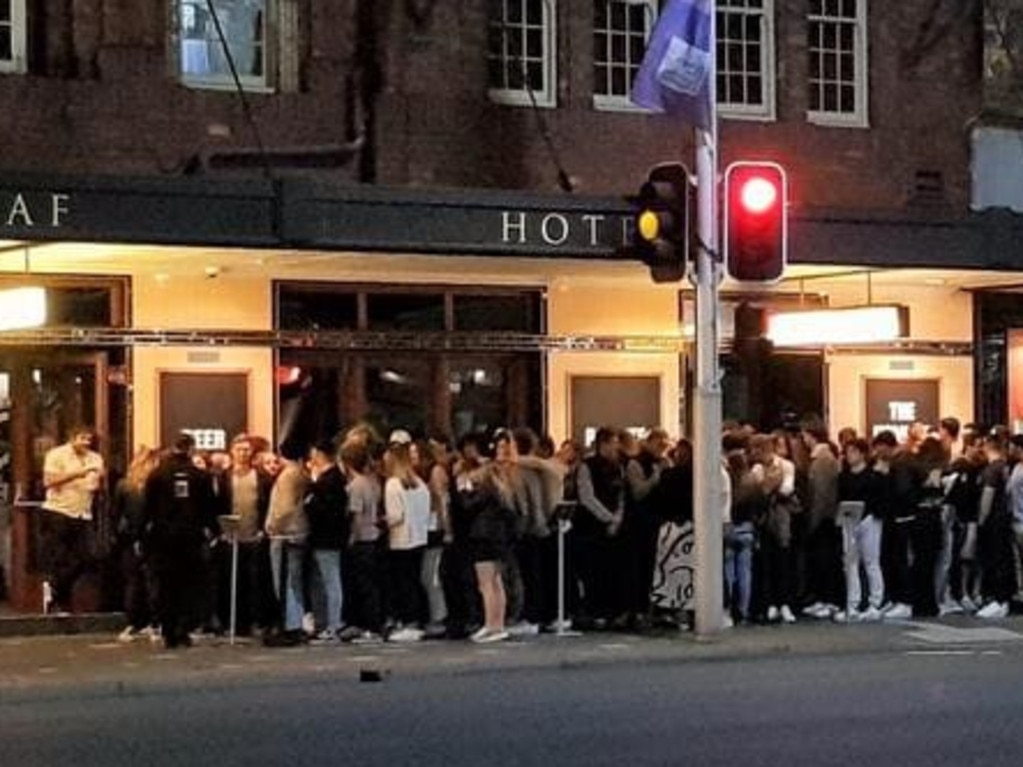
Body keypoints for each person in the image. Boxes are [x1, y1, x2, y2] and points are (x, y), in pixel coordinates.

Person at [143, 433, 216, 649]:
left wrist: (144, 534)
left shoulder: (157, 474)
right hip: (190, 537)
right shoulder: (200, 476)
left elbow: (148, 507)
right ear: (190, 449)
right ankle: (183, 630)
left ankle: (167, 630)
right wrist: (210, 530)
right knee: (189, 584)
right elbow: (209, 507)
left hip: (163, 537)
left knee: (166, 584)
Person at [39, 426, 106, 615]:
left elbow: (95, 482)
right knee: (60, 558)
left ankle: (55, 590)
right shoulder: (57, 455)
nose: (86, 443)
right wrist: (79, 474)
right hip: (58, 511)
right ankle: (61, 601)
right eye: (82, 438)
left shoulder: (95, 458)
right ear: (72, 438)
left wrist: (93, 481)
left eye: (89, 440)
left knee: (85, 558)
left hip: (82, 513)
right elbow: (49, 481)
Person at [217, 434, 274, 636]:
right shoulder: (223, 476)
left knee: (254, 582)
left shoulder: (261, 477)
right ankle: (231, 623)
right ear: (232, 451)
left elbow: (267, 504)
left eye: (247, 449)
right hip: (230, 536)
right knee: (230, 582)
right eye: (239, 449)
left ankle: (254, 621)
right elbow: (217, 504)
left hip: (254, 536)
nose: (243, 453)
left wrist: (263, 528)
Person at [574, 427, 625, 628]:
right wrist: (608, 518)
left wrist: (617, 518)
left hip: (612, 526)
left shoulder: (617, 467)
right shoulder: (587, 466)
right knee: (592, 572)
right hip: (590, 527)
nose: (616, 447)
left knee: (610, 571)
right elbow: (587, 497)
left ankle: (610, 611)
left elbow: (622, 494)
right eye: (613, 443)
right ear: (602, 444)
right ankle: (594, 611)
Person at [384, 430, 431, 642]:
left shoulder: (393, 484)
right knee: (415, 580)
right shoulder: (420, 483)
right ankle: (419, 620)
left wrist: (382, 520)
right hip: (420, 537)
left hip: (401, 539)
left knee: (404, 583)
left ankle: (408, 621)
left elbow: (395, 516)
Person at [263, 443, 310, 646]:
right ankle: (296, 622)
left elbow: (283, 508)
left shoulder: (287, 477)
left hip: (285, 535)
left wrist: (272, 526)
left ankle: (289, 625)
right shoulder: (302, 474)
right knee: (295, 580)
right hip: (299, 532)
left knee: (284, 581)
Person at [112, 446, 160, 642]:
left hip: (129, 538)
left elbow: (116, 513)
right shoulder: (156, 485)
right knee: (152, 581)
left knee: (133, 581)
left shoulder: (124, 485)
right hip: (152, 536)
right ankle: (154, 622)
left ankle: (133, 621)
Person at [835, 439, 884, 622]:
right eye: (847, 452)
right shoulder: (843, 477)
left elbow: (878, 499)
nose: (849, 456)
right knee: (850, 563)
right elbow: (840, 498)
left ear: (862, 453)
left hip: (869, 519)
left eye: (853, 452)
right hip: (849, 520)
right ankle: (852, 604)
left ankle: (875, 602)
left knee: (871, 561)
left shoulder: (874, 476)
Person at [304, 439, 348, 643]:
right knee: (323, 580)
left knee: (330, 580)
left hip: (326, 537)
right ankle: (325, 622)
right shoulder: (336, 478)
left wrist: (311, 491)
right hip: (329, 536)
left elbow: (316, 507)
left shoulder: (328, 480)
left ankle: (332, 624)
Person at [342, 438, 385, 643]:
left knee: (364, 585)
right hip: (374, 536)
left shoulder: (357, 485)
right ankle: (369, 624)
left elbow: (357, 514)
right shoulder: (372, 482)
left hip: (362, 538)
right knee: (371, 583)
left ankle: (370, 626)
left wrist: (353, 537)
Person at [801, 422, 842, 619]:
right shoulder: (825, 458)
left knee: (824, 561)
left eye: (805, 436)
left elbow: (821, 494)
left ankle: (828, 600)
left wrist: (813, 521)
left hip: (824, 519)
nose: (804, 440)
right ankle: (824, 599)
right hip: (826, 517)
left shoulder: (822, 460)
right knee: (824, 561)